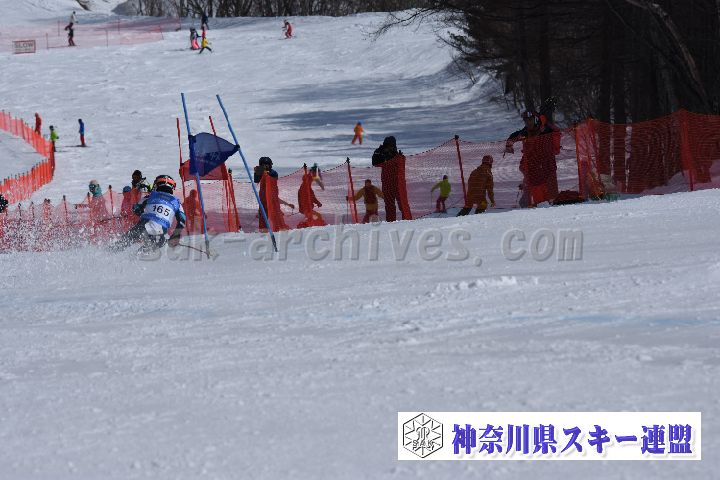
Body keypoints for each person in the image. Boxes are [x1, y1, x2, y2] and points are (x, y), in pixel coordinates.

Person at [111, 175, 186, 251]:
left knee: (122, 243)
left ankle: (109, 252)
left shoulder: (151, 196)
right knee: (142, 254)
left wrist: (141, 212)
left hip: (142, 226)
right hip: (160, 234)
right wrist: (175, 235)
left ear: (157, 184)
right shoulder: (177, 202)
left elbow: (136, 209)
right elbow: (182, 221)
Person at [506, 110, 554, 207]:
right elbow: (515, 136)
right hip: (529, 163)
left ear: (535, 119)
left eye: (530, 120)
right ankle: (539, 202)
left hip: (542, 162)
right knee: (535, 181)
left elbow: (551, 131)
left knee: (538, 181)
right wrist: (509, 143)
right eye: (526, 120)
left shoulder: (544, 129)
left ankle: (539, 202)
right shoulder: (525, 132)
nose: (528, 123)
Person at [372, 135, 412, 222]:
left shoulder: (398, 157)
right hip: (387, 183)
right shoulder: (382, 155)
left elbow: (397, 162)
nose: (388, 148)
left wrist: (388, 156)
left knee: (402, 204)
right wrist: (378, 153)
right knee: (389, 205)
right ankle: (391, 223)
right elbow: (375, 163)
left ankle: (408, 222)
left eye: (390, 146)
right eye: (386, 146)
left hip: (398, 183)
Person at [254, 157, 292, 231]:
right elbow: (256, 180)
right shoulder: (260, 171)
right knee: (263, 213)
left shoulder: (273, 172)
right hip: (263, 194)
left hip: (272, 193)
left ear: (270, 165)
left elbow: (273, 178)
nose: (266, 166)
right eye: (264, 165)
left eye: (267, 164)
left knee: (275, 213)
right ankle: (263, 229)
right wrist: (257, 172)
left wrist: (266, 174)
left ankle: (279, 228)